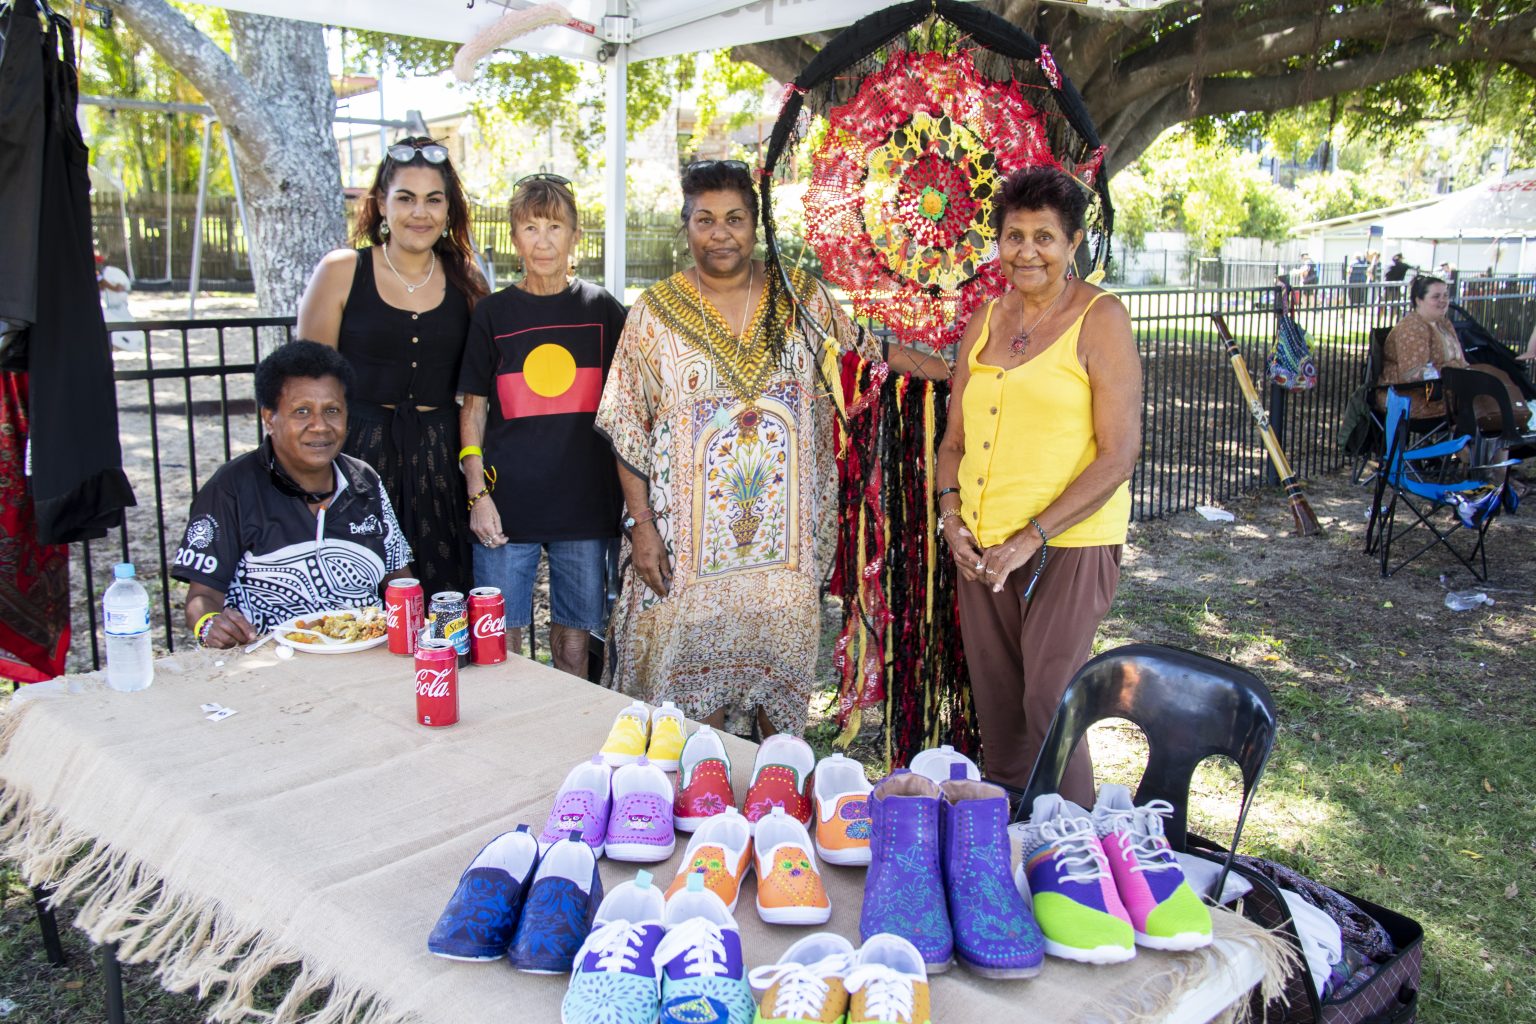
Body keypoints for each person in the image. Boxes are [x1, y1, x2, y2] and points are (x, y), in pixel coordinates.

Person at [594, 160, 887, 738]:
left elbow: (864, 359)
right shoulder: (652, 313)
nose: (720, 233)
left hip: (783, 554)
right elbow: (628, 425)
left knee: (778, 686)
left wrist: (959, 362)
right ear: (686, 227)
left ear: (756, 225)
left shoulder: (801, 297)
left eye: (734, 218)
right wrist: (642, 525)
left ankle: (772, 784)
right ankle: (695, 782)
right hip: (685, 555)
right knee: (687, 706)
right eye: (704, 219)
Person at [935, 167, 1141, 805]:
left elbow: (1118, 455)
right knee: (999, 705)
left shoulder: (1101, 318)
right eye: (1014, 236)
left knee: (1051, 701)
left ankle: (1073, 838)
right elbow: (954, 443)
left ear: (1073, 242)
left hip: (1067, 543)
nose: (1027, 252)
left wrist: (1031, 537)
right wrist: (951, 521)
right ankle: (1005, 839)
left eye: (1044, 237)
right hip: (982, 546)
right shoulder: (984, 321)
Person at [297, 136, 487, 599]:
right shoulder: (342, 271)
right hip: (356, 462)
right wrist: (309, 475)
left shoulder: (467, 279)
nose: (420, 212)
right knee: (356, 603)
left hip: (441, 467)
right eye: (405, 198)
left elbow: (483, 388)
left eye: (433, 200)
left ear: (449, 209)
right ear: (382, 204)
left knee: (442, 605)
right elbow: (306, 386)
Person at [458, 175, 627, 676]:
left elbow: (632, 404)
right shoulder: (492, 314)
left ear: (575, 236)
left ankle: (566, 726)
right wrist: (477, 495)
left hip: (584, 506)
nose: (544, 240)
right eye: (531, 227)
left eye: (555, 226)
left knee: (575, 645)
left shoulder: (602, 310)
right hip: (505, 506)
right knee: (500, 643)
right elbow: (473, 409)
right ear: (515, 238)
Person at [172, 341, 413, 649]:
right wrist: (209, 624)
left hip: (364, 656)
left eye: (332, 410)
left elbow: (400, 581)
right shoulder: (230, 488)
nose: (320, 426)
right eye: (302, 411)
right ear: (269, 419)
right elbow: (201, 597)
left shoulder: (364, 481)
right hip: (267, 660)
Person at [1379, 275, 1530, 428]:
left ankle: (1504, 431)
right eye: (1436, 297)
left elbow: (1462, 361)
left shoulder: (1444, 323)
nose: (1443, 300)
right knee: (1486, 407)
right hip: (1414, 397)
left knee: (1496, 404)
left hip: (1450, 391)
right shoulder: (1412, 328)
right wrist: (1455, 375)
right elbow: (1413, 373)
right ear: (1419, 300)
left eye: (1445, 295)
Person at [95, 251, 135, 351]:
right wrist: (114, 288)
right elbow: (103, 283)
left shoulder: (101, 273)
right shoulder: (97, 274)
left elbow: (103, 284)